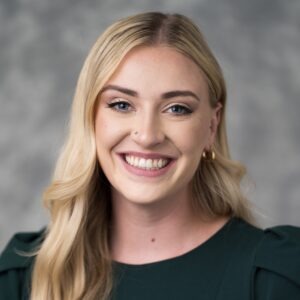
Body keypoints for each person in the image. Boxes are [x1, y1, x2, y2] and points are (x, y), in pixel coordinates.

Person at [0, 11, 299, 300]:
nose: (147, 135)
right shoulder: (23, 276)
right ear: (89, 118)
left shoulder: (276, 276)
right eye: (121, 104)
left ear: (211, 126)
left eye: (177, 108)